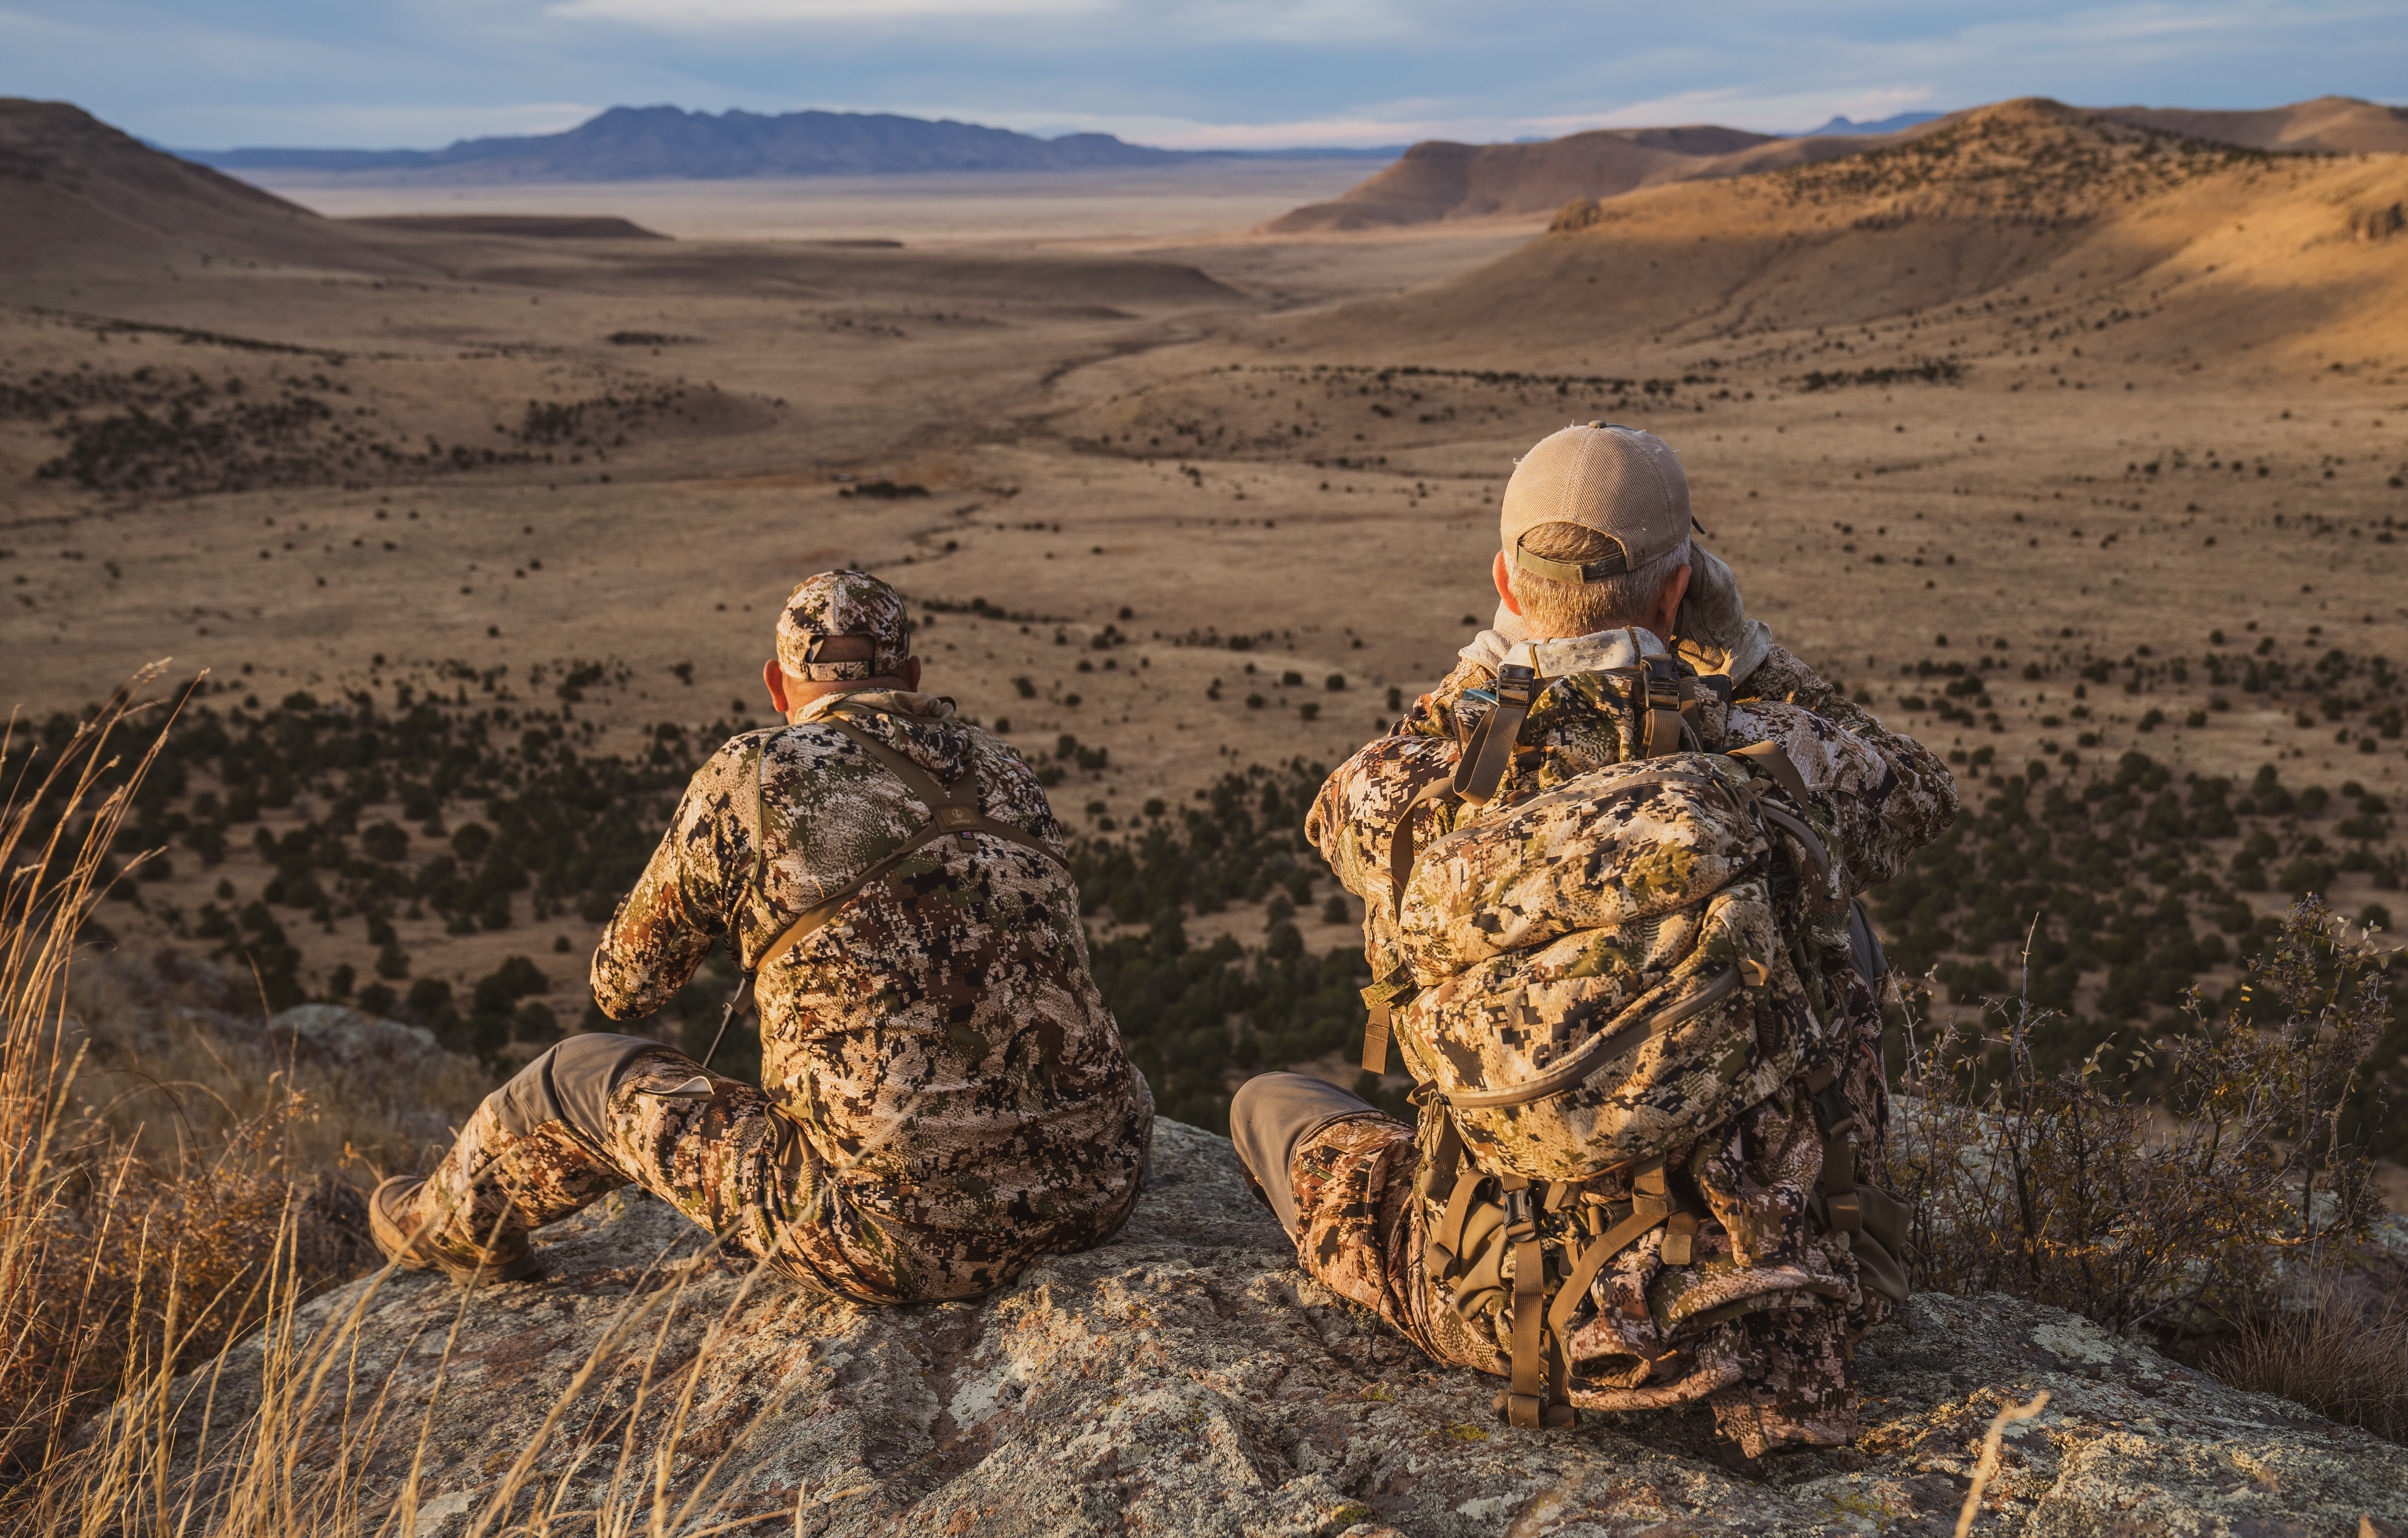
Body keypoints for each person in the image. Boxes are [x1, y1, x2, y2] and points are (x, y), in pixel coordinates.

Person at [1232, 422, 1958, 1450]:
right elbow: (1917, 787)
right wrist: (1744, 650)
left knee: (1273, 1103)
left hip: (1507, 1306)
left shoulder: (1395, 794)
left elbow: (1352, 788)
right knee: (1837, 908)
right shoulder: (1769, 757)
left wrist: (1494, 660)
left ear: (1506, 582)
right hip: (1769, 1303)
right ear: (1679, 591)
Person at [369, 570, 1152, 1303]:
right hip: (1097, 1193)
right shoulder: (1006, 769)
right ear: (909, 677)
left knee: (576, 1074)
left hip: (890, 1238)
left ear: (778, 687)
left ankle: (448, 1230)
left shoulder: (754, 770)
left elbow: (625, 988)